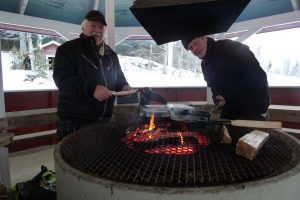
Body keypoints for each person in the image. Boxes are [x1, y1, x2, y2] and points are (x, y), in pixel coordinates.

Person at [53, 10, 132, 139]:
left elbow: (119, 78)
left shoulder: (111, 54)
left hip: (104, 121)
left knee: (99, 158)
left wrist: (124, 86)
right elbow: (63, 81)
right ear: (83, 27)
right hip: (75, 121)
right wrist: (92, 89)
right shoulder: (67, 49)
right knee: (73, 158)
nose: (97, 30)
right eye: (93, 26)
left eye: (101, 27)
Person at [181, 36, 270, 121]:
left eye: (195, 43)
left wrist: (262, 109)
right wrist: (217, 99)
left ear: (204, 38)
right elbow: (213, 89)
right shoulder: (204, 65)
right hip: (229, 114)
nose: (194, 49)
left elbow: (259, 77)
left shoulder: (230, 48)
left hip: (252, 113)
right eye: (191, 48)